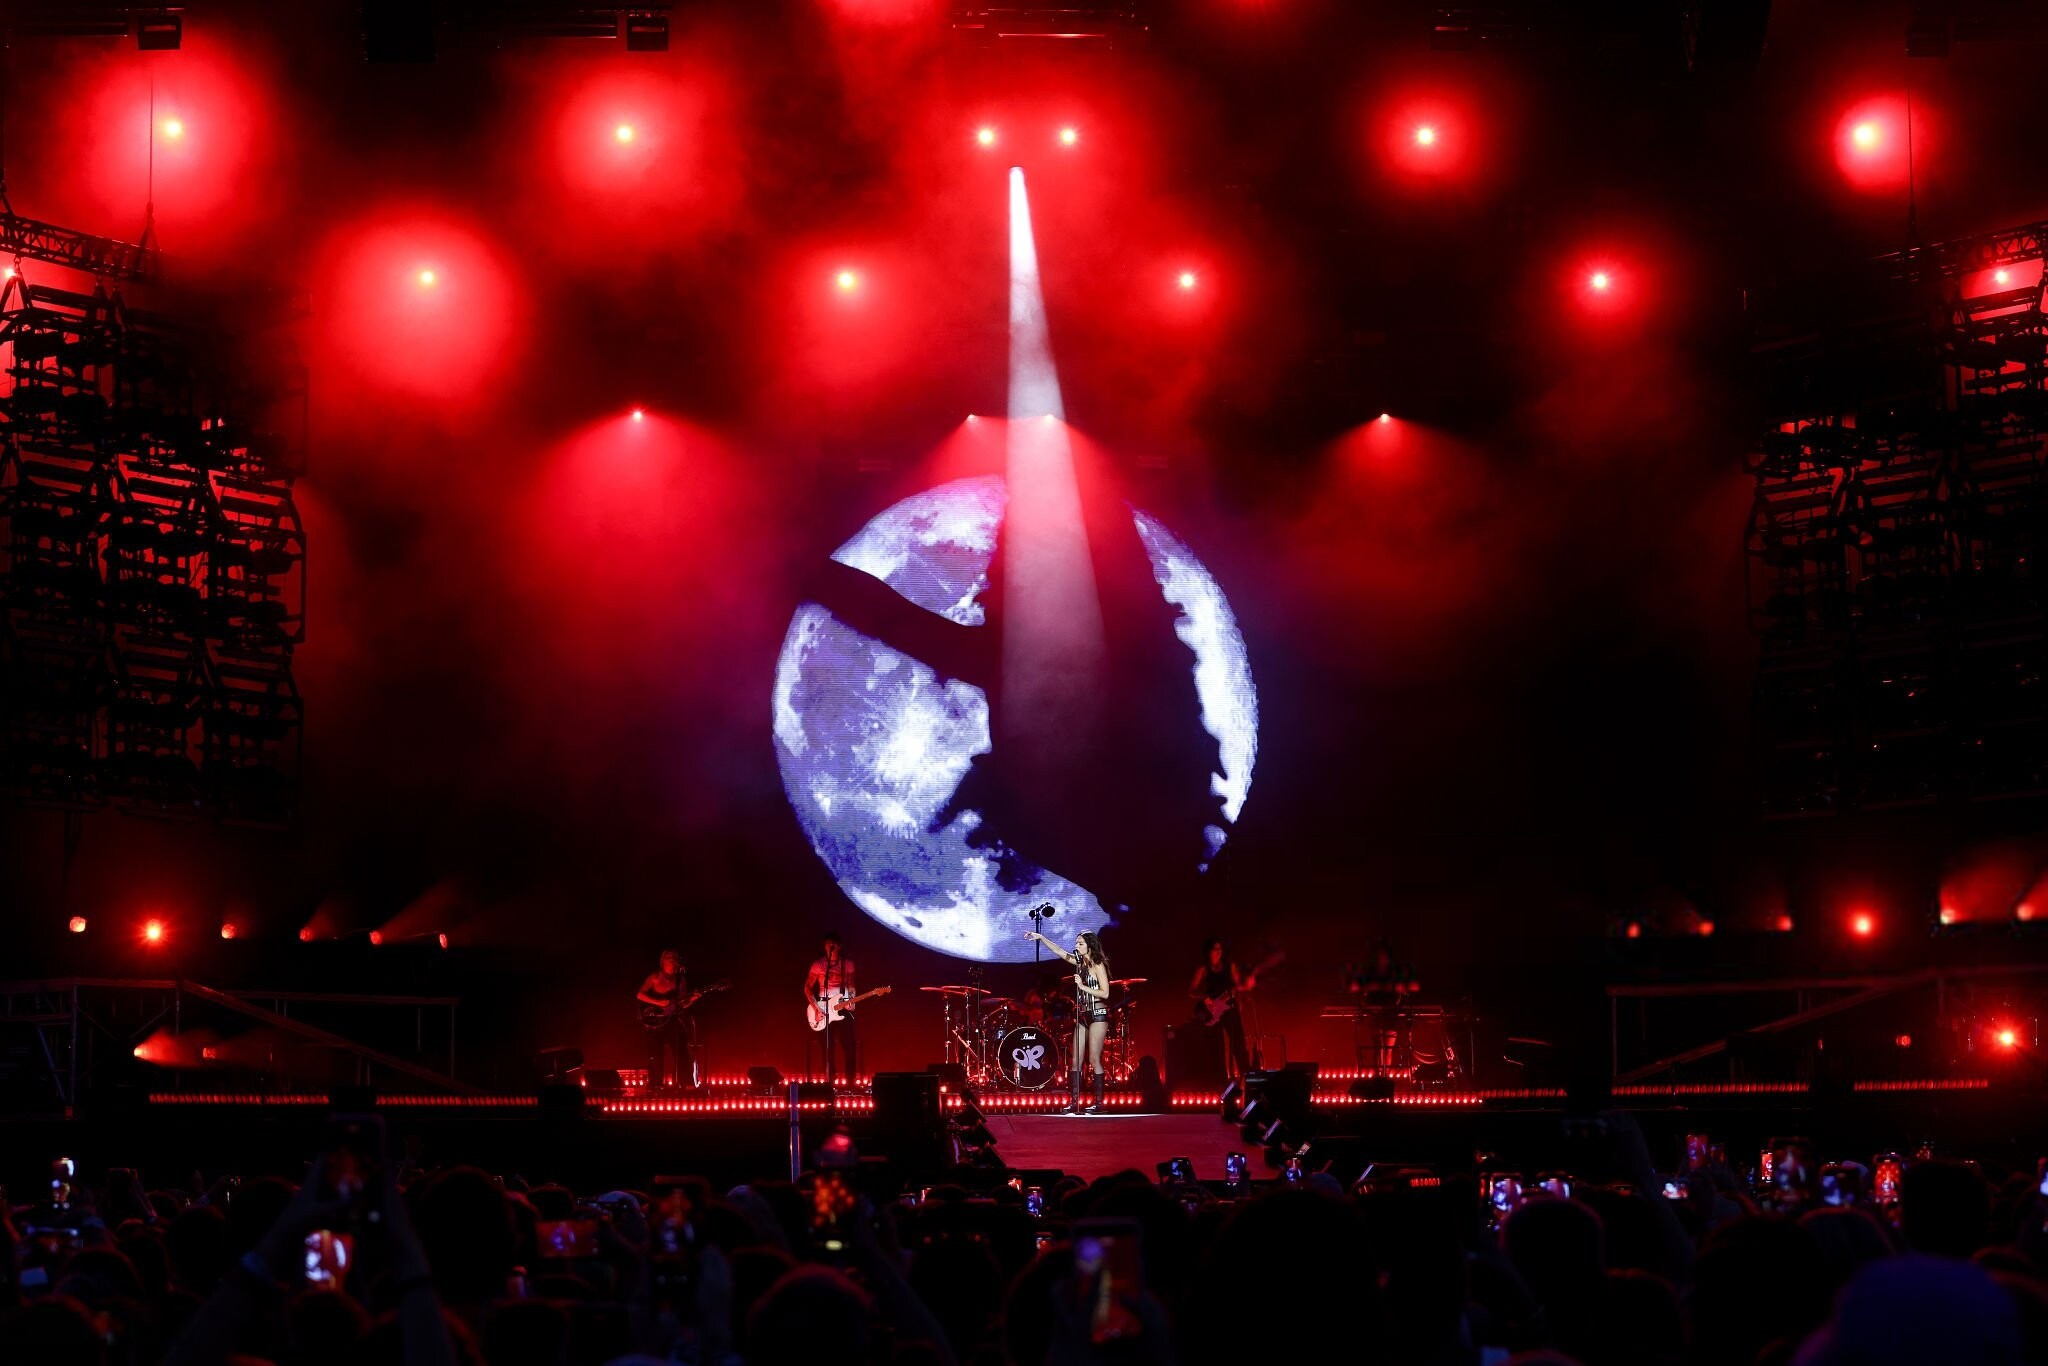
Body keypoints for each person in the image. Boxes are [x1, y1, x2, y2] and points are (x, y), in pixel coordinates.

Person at [1026, 928, 1112, 1114]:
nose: (1077, 946)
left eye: (1080, 943)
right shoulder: (1079, 962)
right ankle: (1075, 1102)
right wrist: (1041, 937)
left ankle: (1099, 1103)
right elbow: (1059, 951)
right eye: (1076, 942)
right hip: (1082, 1014)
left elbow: (1105, 993)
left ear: (1090, 945)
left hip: (1097, 1012)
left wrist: (1082, 986)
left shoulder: (1097, 965)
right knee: (1075, 1060)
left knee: (1094, 1058)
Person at [1187, 939, 1257, 1080]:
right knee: (1217, 1046)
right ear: (1208, 951)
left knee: (1238, 1043)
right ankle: (1220, 1079)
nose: (1219, 952)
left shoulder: (1229, 966)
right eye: (1215, 949)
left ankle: (1246, 1076)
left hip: (1230, 1007)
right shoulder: (1203, 969)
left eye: (1220, 949)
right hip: (1212, 1011)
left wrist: (1243, 991)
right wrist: (1205, 998)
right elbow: (1191, 991)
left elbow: (1237, 986)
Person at [636, 949, 699, 1090]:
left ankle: (685, 1083)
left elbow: (681, 1003)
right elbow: (639, 995)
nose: (672, 959)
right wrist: (658, 1002)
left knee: (681, 1048)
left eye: (674, 957)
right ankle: (655, 1085)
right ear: (662, 961)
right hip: (654, 1021)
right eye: (669, 957)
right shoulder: (655, 977)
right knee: (655, 1054)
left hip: (671, 1019)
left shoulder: (680, 980)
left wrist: (693, 999)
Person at [805, 934, 859, 1090]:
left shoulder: (847, 964)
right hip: (823, 1008)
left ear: (839, 946)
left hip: (842, 1006)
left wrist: (852, 999)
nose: (830, 947)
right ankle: (830, 1081)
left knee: (849, 1045)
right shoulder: (818, 965)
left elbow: (851, 985)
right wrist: (816, 1008)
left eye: (833, 944)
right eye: (827, 944)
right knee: (827, 1047)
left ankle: (850, 1082)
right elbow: (807, 987)